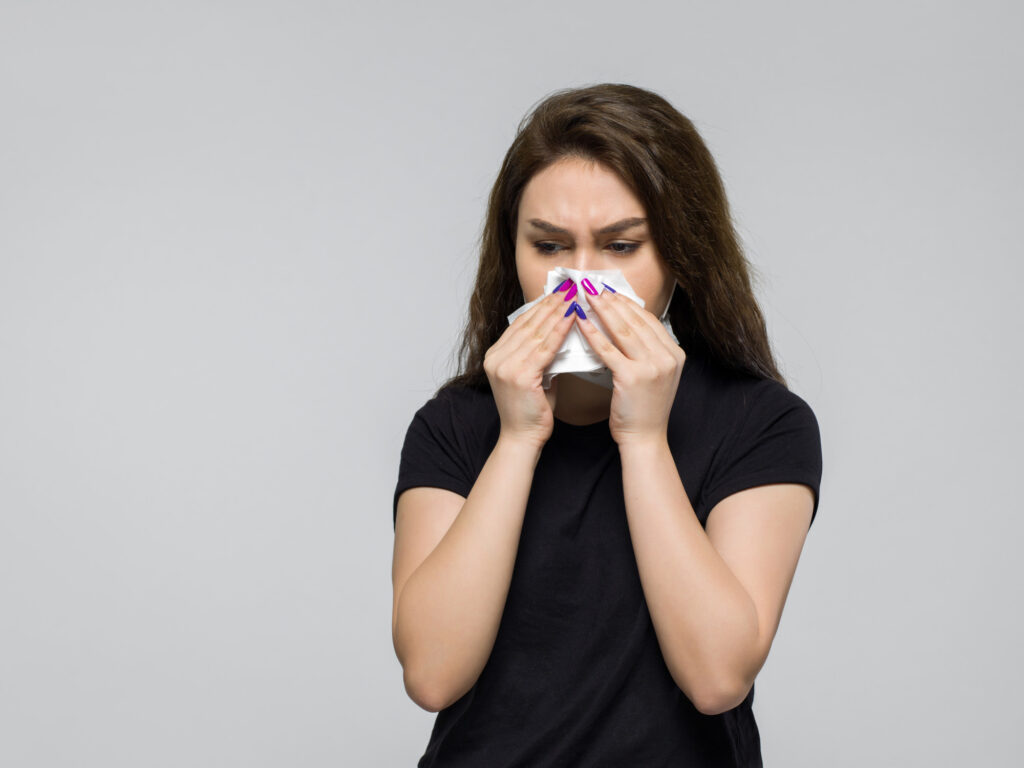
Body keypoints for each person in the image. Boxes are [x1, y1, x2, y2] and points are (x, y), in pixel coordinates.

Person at [391, 83, 822, 767]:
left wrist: (645, 441)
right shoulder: (455, 426)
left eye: (620, 247)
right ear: (515, 255)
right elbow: (433, 673)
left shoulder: (761, 423)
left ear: (679, 255)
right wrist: (518, 439)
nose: (580, 283)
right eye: (550, 246)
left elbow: (718, 678)